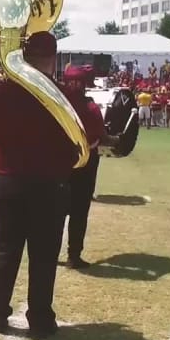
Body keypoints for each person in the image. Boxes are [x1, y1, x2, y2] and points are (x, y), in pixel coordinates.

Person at [0, 33, 80, 337]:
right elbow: (82, 140)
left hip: (9, 181)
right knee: (43, 257)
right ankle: (40, 319)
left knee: (4, 252)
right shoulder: (63, 96)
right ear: (54, 59)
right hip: (49, 186)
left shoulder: (2, 92)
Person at [57, 65, 114, 269]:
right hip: (85, 164)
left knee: (54, 212)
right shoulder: (91, 108)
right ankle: (74, 255)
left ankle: (50, 253)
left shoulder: (56, 105)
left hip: (58, 164)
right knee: (79, 213)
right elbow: (100, 135)